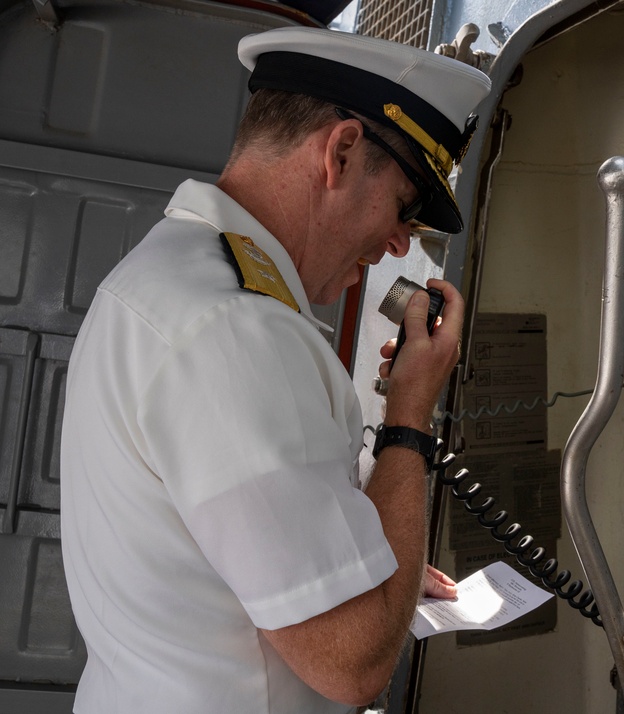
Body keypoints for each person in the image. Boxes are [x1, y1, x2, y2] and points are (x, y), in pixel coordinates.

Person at [59, 26, 491, 713]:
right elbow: (353, 662)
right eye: (404, 204)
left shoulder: (169, 278)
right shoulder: (236, 330)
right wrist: (410, 415)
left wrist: (367, 563)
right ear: (341, 152)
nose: (400, 241)